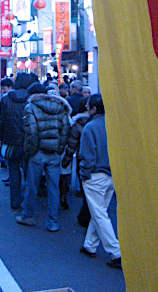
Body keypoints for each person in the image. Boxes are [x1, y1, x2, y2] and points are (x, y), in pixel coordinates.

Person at [16, 81, 71, 232]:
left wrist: (32, 150)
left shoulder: (31, 107)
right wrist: (59, 148)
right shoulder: (61, 108)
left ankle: (28, 215)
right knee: (54, 188)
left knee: (32, 185)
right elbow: (66, 130)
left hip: (38, 152)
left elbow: (31, 131)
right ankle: (52, 221)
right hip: (54, 153)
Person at [78, 94, 122, 269]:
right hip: (112, 173)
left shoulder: (90, 127)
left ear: (94, 109)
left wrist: (84, 173)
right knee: (100, 211)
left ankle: (116, 252)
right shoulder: (115, 125)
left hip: (95, 175)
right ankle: (90, 245)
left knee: (99, 214)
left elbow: (87, 155)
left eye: (89, 106)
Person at [0, 74, 29, 210]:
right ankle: (28, 201)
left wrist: (0, 139)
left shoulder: (6, 99)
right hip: (28, 141)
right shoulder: (30, 98)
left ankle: (15, 201)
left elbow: (0, 120)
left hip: (10, 140)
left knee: (13, 171)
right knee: (29, 172)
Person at [62, 95, 92, 225]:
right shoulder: (101, 122)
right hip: (99, 160)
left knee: (86, 186)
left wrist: (66, 160)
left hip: (82, 158)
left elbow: (72, 144)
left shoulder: (77, 124)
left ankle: (86, 214)